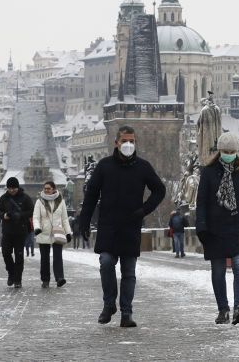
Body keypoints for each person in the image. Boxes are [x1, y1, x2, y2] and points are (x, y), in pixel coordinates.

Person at [74, 125, 166, 328]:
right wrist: (84, 221)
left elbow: (160, 190)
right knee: (106, 263)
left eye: (132, 141)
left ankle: (126, 312)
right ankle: (109, 304)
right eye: (125, 141)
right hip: (108, 225)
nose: (128, 144)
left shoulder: (143, 167)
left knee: (129, 272)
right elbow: (91, 195)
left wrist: (144, 210)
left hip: (131, 225)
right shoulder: (104, 166)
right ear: (116, 143)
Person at [196, 132, 239, 325]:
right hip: (215, 229)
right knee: (218, 271)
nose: (229, 154)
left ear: (237, 152)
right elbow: (201, 202)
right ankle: (223, 309)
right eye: (225, 151)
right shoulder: (208, 172)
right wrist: (201, 227)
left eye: (232, 151)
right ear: (219, 151)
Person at [0, 177, 34, 288]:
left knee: (19, 256)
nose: (12, 190)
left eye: (14, 188)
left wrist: (20, 215)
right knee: (6, 253)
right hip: (7, 230)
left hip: (21, 231)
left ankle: (18, 279)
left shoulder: (25, 198)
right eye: (10, 188)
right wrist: (4, 215)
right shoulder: (4, 198)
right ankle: (11, 272)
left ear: (17, 187)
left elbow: (31, 211)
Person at [34, 180, 71, 288]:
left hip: (57, 232)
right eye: (45, 188)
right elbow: (36, 217)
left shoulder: (61, 201)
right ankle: (45, 280)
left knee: (58, 256)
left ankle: (59, 278)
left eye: (48, 188)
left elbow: (64, 219)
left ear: (54, 189)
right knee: (44, 258)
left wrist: (68, 232)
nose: (46, 190)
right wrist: (37, 228)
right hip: (43, 232)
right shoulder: (39, 201)